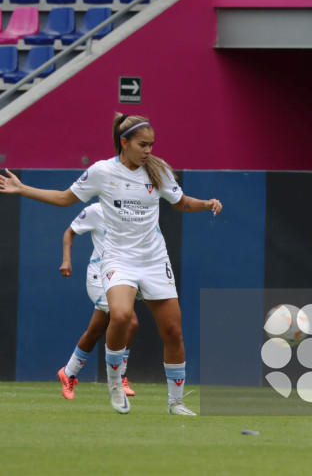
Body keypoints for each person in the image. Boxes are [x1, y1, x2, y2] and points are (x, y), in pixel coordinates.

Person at [0, 113, 222, 416]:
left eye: (152, 144)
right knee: (120, 316)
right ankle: (116, 385)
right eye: (143, 144)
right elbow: (65, 198)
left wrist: (206, 203)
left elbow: (181, 202)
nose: (148, 150)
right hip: (118, 258)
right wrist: (23, 189)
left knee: (173, 331)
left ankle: (176, 403)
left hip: (154, 259)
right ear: (124, 142)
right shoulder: (102, 171)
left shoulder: (158, 171)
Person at [57, 203, 140, 400]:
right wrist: (66, 260)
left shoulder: (132, 210)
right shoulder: (96, 210)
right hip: (99, 277)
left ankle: (68, 373)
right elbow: (70, 232)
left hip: (120, 278)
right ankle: (120, 375)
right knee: (131, 322)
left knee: (95, 331)